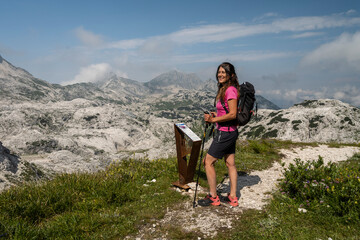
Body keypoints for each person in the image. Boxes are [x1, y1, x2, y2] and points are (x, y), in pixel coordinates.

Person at [198, 62, 240, 207]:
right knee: (230, 163)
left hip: (225, 133)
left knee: (207, 162)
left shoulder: (230, 90)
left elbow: (233, 114)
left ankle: (213, 197)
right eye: (219, 72)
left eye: (224, 72)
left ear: (231, 75)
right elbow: (227, 111)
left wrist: (213, 119)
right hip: (230, 132)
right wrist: (217, 114)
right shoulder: (226, 89)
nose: (220, 75)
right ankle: (233, 197)